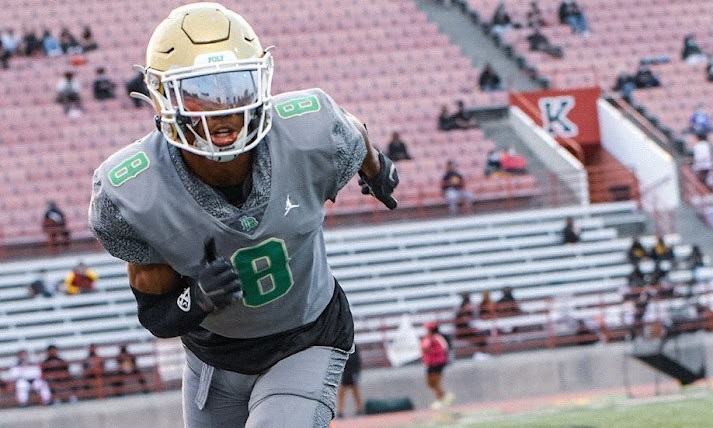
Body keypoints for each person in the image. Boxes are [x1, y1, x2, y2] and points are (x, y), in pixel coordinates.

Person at [87, 4, 399, 427]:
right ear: (163, 96)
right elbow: (155, 315)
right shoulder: (137, 190)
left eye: (236, 88)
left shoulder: (309, 129)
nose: (223, 110)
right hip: (213, 360)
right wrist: (195, 299)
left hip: (306, 337)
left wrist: (375, 166)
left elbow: (351, 130)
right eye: (200, 92)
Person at [419, 321, 454, 409]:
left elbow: (444, 349)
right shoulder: (427, 338)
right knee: (430, 383)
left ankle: (440, 399)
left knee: (436, 381)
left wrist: (433, 352)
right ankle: (444, 396)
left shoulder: (438, 338)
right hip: (430, 363)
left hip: (438, 362)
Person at [336, 344, 363, 418]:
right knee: (342, 393)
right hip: (346, 372)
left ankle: (359, 409)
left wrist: (356, 372)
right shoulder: (342, 346)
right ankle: (340, 411)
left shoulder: (354, 347)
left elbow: (357, 360)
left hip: (352, 372)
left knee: (355, 392)